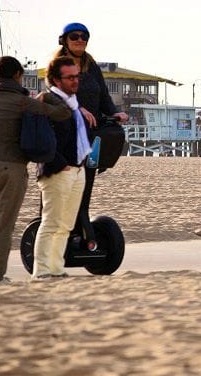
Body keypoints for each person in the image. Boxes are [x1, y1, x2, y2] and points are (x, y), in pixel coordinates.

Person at [0, 56, 71, 282]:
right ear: (18, 75)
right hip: (12, 166)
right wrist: (47, 97)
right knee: (3, 226)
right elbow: (63, 112)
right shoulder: (22, 101)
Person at [52, 23, 128, 241]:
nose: (80, 40)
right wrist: (77, 107)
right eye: (74, 36)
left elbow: (103, 95)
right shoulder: (58, 66)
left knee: (85, 185)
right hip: (67, 135)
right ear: (64, 40)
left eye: (84, 36)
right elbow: (53, 94)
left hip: (91, 136)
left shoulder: (91, 65)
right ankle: (60, 233)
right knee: (65, 186)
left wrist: (115, 113)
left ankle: (82, 227)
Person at [31, 57, 92, 280]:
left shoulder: (74, 103)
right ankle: (41, 271)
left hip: (78, 169)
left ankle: (56, 268)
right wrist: (61, 164)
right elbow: (42, 137)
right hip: (59, 171)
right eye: (70, 77)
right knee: (51, 222)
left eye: (77, 76)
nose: (75, 81)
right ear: (56, 79)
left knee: (66, 224)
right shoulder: (47, 100)